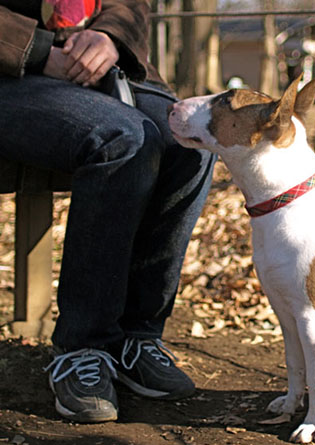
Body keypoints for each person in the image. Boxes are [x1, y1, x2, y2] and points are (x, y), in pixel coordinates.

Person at [0, 0, 216, 423]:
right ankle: (83, 346)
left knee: (189, 145)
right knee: (123, 138)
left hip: (110, 68)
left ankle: (137, 336)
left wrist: (109, 38)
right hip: (13, 71)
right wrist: (41, 50)